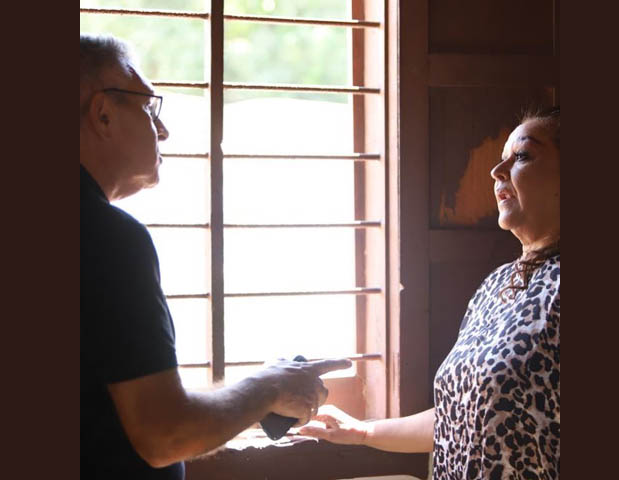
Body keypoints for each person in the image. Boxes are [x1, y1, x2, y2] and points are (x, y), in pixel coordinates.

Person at [80, 33, 351, 479]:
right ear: (103, 114)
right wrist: (269, 386)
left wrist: (263, 392)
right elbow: (165, 433)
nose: (162, 130)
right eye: (148, 108)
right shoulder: (107, 238)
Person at [300, 107, 560, 480]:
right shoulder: (496, 286)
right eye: (501, 158)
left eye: (522, 156)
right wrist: (363, 432)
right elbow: (459, 417)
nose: (496, 171)